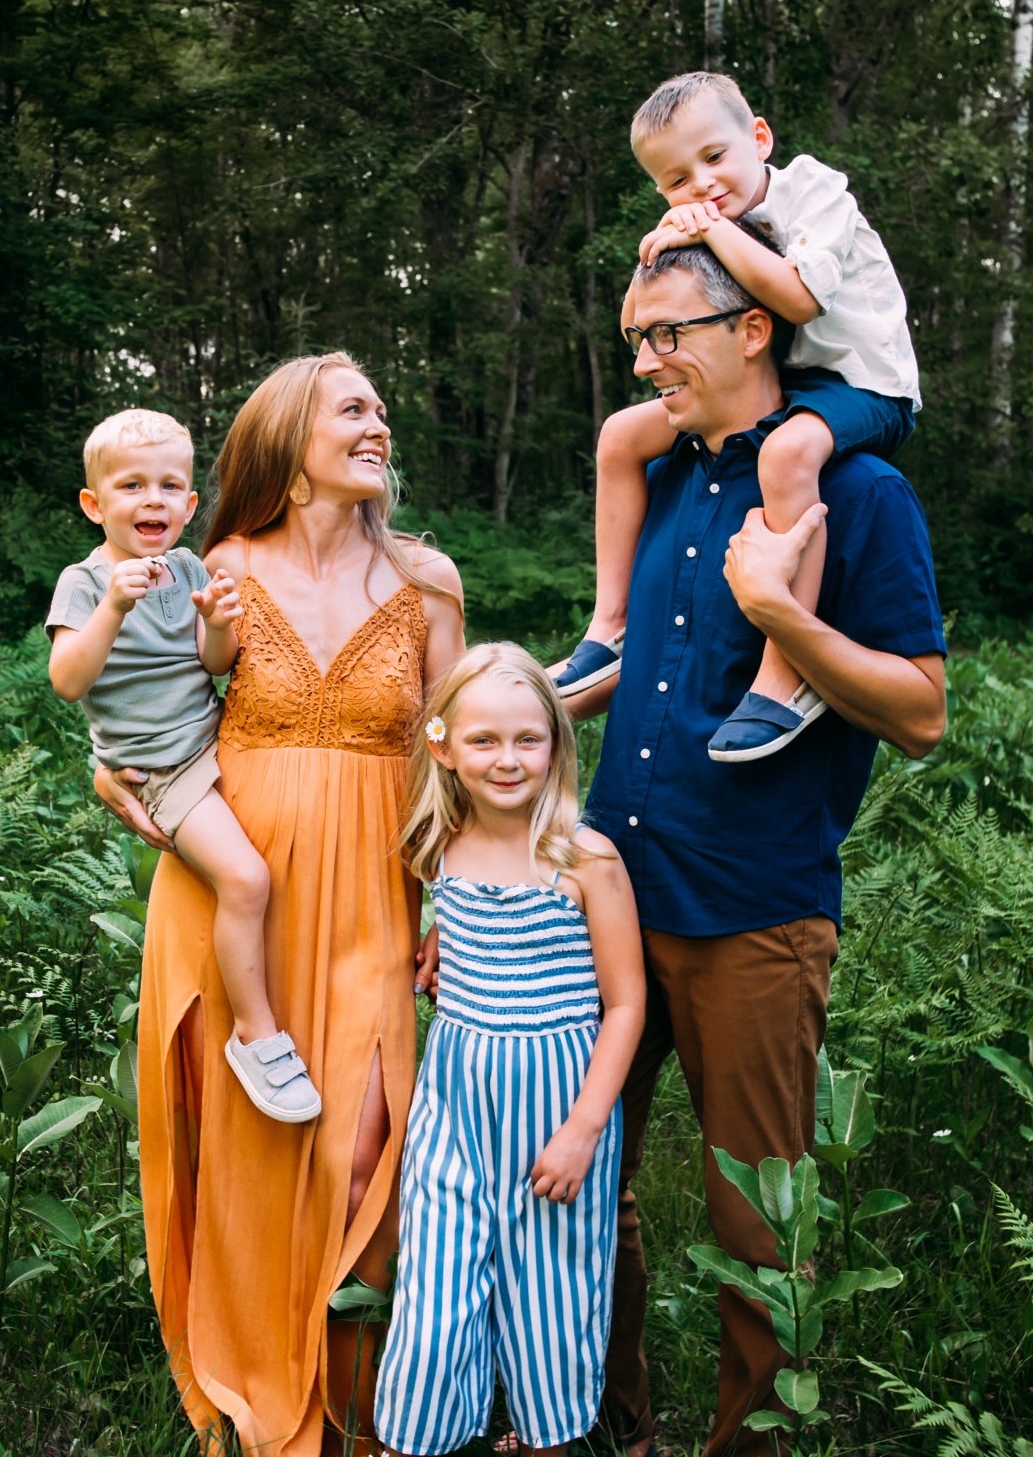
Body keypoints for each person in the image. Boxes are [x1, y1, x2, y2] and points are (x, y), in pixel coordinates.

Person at [574, 242, 947, 1457]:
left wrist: (785, 612)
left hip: (754, 914)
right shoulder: (660, 479)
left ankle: (755, 1448)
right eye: (635, 338)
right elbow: (634, 664)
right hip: (606, 906)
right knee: (573, 1198)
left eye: (668, 332)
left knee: (756, 1224)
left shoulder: (859, 493)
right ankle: (605, 1426)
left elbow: (922, 711)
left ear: (753, 331)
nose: (645, 359)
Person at [89, 354, 465, 1457]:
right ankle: (256, 1404)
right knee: (251, 1143)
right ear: (291, 441)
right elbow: (136, 692)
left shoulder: (426, 579)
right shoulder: (221, 566)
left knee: (362, 1142)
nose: (379, 422)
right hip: (231, 885)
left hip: (372, 891)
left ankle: (353, 1402)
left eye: (382, 407)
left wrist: (453, 895)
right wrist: (108, 768)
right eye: (354, 407)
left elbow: (447, 752)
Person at [550, 70, 924, 765]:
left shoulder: (817, 194)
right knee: (621, 434)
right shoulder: (708, 222)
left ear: (759, 138)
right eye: (675, 179)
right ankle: (610, 628)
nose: (700, 184)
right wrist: (657, 254)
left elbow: (800, 299)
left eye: (714, 158)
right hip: (791, 380)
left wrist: (712, 229)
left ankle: (783, 675)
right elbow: (637, 321)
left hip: (864, 382)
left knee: (785, 455)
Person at [376, 645, 644, 1457]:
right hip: (454, 1111)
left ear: (558, 744)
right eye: (485, 740)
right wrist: (432, 939)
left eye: (529, 739)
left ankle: (543, 1438)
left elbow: (627, 1001)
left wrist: (585, 1128)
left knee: (551, 1298)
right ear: (444, 745)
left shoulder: (584, 858)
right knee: (433, 1293)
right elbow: (440, 932)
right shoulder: (436, 846)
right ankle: (417, 1436)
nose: (507, 759)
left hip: (557, 1115)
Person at [45, 408, 321, 1123]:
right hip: (162, 769)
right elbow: (69, 680)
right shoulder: (83, 581)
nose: (153, 500)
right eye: (131, 485)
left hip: (214, 742)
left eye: (170, 486)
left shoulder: (191, 566)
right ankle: (256, 1036)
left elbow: (212, 662)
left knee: (279, 866)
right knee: (246, 876)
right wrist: (111, 606)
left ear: (191, 504)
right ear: (93, 504)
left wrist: (222, 621)